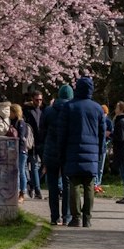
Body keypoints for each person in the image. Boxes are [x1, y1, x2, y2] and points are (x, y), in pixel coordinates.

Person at [59, 76, 106, 227]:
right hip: (92, 151)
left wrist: (62, 150)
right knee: (89, 184)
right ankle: (88, 218)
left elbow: (62, 132)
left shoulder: (69, 107)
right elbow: (102, 133)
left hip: (72, 149)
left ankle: (76, 217)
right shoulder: (98, 108)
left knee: (74, 184)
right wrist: (100, 151)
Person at [42, 82, 75, 225]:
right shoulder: (73, 110)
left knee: (53, 186)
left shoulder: (49, 111)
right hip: (67, 152)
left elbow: (41, 131)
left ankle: (54, 217)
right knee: (67, 184)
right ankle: (67, 216)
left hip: (51, 151)